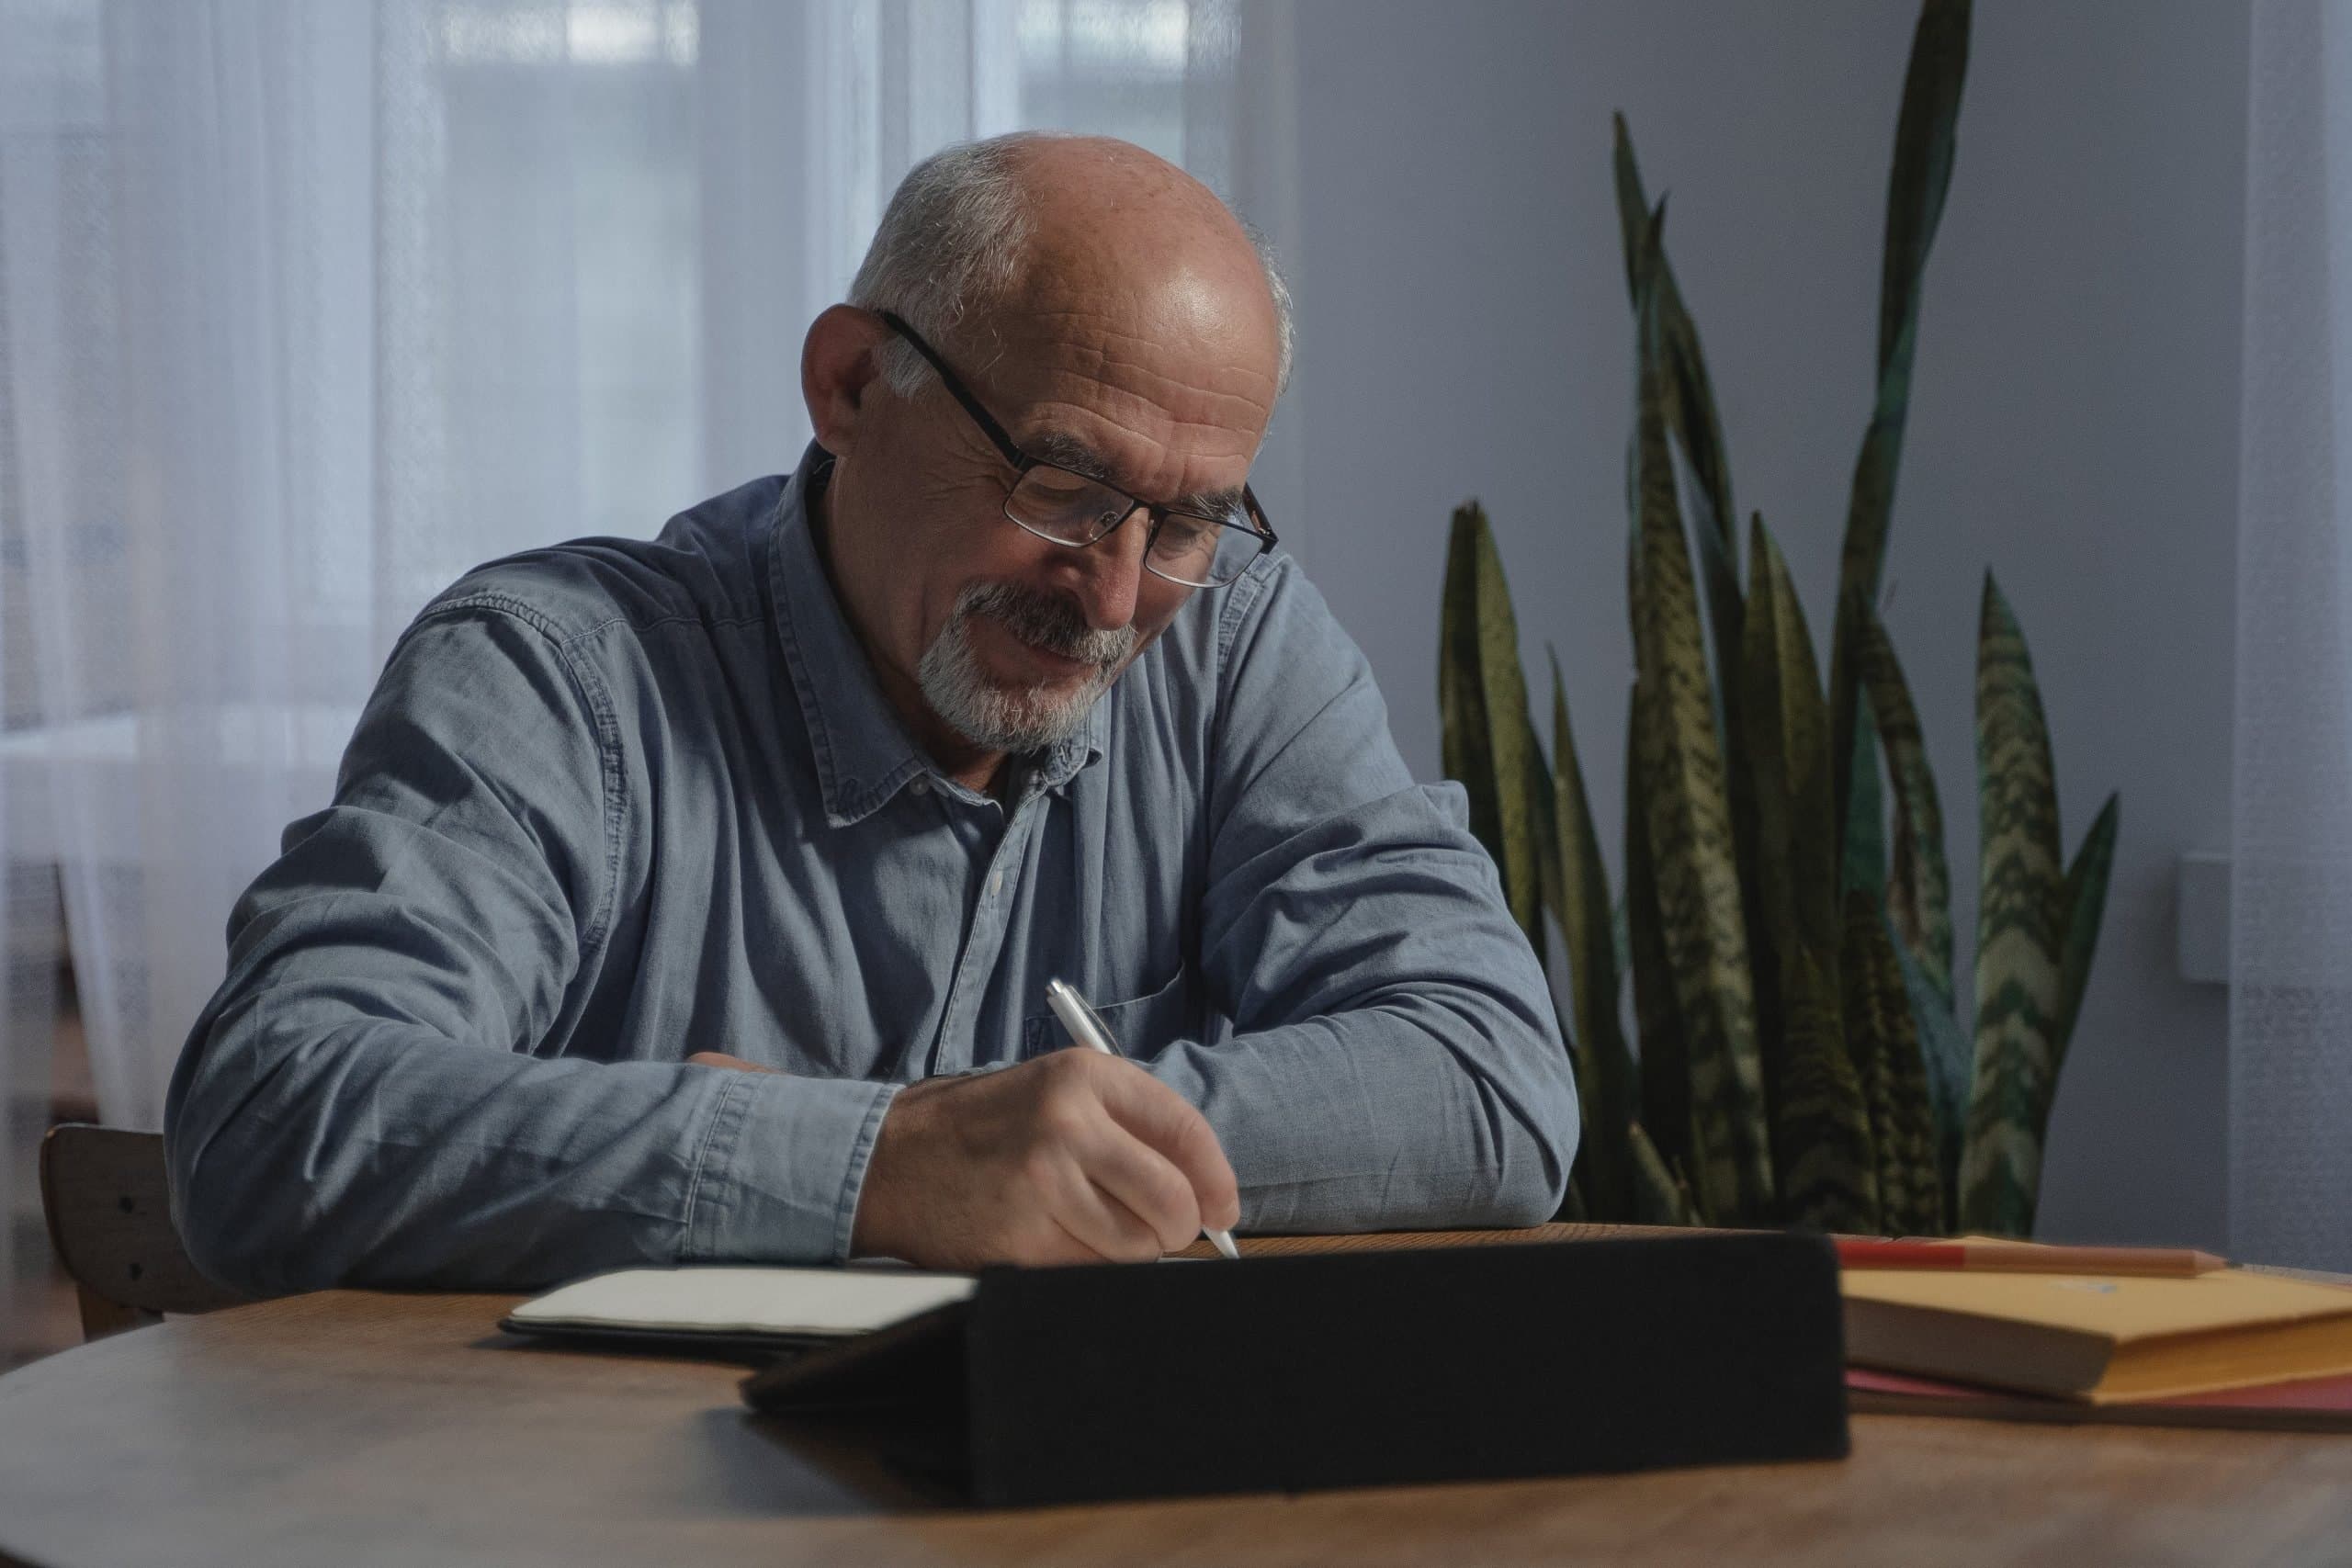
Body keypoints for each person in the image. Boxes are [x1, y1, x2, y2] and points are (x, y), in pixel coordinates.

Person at [164, 132, 1577, 1293]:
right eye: (1064, 487)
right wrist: (888, 1164)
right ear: (848, 387)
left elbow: (1490, 1074)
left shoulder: (1236, 647)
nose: (1114, 593)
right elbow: (274, 1115)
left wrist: (992, 1146)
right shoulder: (557, 674)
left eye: (1191, 521)